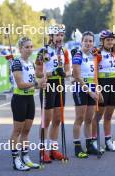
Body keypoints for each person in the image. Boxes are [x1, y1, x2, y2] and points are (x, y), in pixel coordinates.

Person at [35, 24, 71, 163]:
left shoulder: (64, 52)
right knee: (47, 120)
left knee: (57, 119)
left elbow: (68, 72)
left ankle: (53, 149)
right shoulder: (44, 51)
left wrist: (64, 73)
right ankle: (42, 150)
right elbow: (38, 73)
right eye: (57, 35)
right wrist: (52, 72)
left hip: (60, 85)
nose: (60, 38)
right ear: (51, 37)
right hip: (48, 84)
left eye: (62, 35)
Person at [10, 37, 46, 171]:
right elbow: (21, 84)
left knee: (26, 130)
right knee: (17, 130)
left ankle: (25, 157)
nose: (30, 49)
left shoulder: (31, 63)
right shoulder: (16, 63)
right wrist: (37, 83)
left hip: (30, 99)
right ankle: (16, 159)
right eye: (27, 47)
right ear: (20, 49)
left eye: (31, 46)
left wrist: (41, 85)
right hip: (19, 99)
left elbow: (32, 85)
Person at [71, 31, 104, 158]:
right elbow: (77, 77)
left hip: (92, 87)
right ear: (82, 42)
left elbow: (95, 76)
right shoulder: (78, 55)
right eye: (86, 41)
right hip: (81, 88)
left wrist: (97, 89)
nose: (88, 43)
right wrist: (90, 92)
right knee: (80, 118)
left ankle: (89, 145)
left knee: (89, 119)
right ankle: (77, 146)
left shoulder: (94, 56)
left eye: (90, 41)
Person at [91, 29, 115, 152]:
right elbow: (94, 72)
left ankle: (108, 141)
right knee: (98, 115)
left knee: (109, 115)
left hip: (113, 84)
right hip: (102, 84)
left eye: (111, 40)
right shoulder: (97, 53)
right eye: (107, 40)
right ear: (102, 41)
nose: (110, 42)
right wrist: (97, 87)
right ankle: (93, 140)